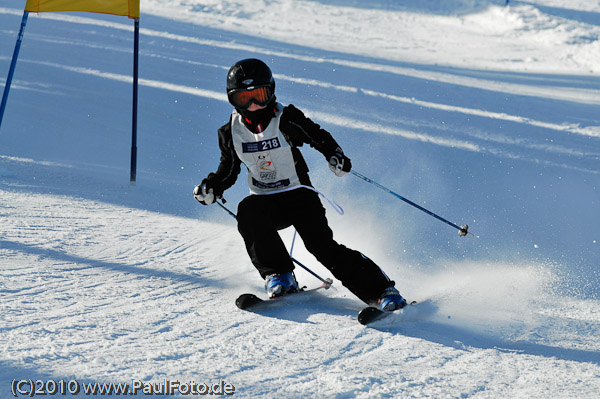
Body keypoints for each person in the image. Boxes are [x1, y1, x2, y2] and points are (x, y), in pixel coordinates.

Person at [194, 58, 407, 312]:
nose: (252, 105)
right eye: (244, 98)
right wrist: (213, 187)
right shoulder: (230, 131)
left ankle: (383, 291)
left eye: (259, 96)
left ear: (271, 92)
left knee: (322, 248)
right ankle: (280, 277)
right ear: (233, 99)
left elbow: (317, 135)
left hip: (300, 197)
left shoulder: (286, 118)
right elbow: (228, 169)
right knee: (248, 210)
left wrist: (335, 155)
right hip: (265, 202)